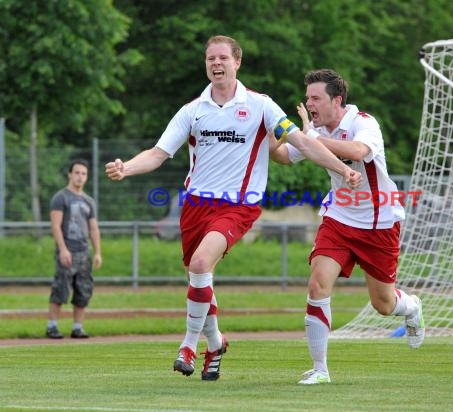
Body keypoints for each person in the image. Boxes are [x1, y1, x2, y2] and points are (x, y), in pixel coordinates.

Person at [105, 35, 362, 381]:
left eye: (223, 57)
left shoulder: (261, 106)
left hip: (237, 207)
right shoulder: (193, 110)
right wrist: (127, 167)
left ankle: (188, 344)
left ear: (237, 62)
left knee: (199, 264)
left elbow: (301, 142)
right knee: (200, 279)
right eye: (210, 58)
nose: (216, 63)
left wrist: (343, 168)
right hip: (195, 205)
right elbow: (158, 153)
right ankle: (215, 341)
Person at [270, 69, 425, 385]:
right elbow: (285, 156)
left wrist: (308, 136)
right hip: (339, 218)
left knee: (383, 304)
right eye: (308, 97)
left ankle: (411, 307)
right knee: (317, 283)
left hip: (378, 223)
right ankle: (320, 369)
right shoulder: (314, 130)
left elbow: (356, 152)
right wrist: (269, 134)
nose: (309, 103)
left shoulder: (362, 122)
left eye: (316, 98)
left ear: (336, 100)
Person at [46, 159, 102, 339]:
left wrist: (97, 252)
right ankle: (52, 326)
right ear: (70, 174)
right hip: (67, 250)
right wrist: (62, 249)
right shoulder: (61, 197)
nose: (80, 177)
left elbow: (93, 228)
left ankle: (77, 327)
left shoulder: (89, 201)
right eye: (77, 173)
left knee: (83, 289)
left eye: (83, 174)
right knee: (61, 288)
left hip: (84, 252)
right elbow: (55, 226)